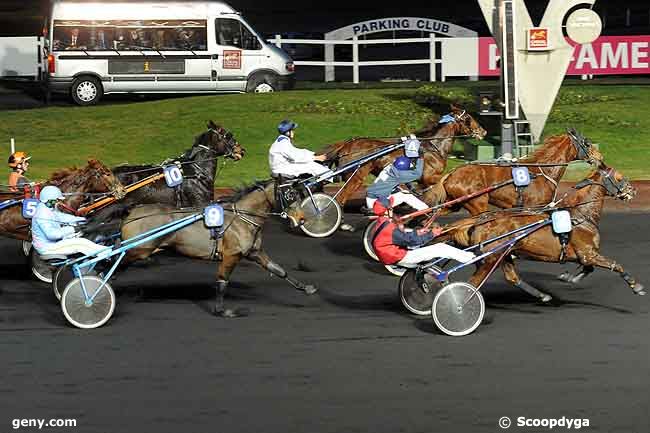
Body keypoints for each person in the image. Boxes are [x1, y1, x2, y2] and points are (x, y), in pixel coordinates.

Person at [371, 196, 476, 268]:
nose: (393, 208)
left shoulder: (382, 222)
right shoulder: (389, 227)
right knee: (441, 247)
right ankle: (471, 258)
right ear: (388, 210)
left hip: (391, 254)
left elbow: (401, 237)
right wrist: (432, 234)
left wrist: (419, 232)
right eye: (391, 207)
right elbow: (413, 241)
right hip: (398, 257)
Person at [31, 186, 106, 257]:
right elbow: (52, 235)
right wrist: (74, 229)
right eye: (57, 200)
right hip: (47, 247)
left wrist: (83, 219)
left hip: (51, 243)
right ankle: (107, 254)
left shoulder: (47, 208)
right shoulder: (42, 213)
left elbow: (62, 217)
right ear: (49, 200)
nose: (58, 202)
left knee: (80, 236)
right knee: (80, 243)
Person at [365, 137, 429, 213]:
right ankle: (425, 209)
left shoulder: (391, 167)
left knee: (404, 193)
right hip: (377, 202)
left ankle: (423, 209)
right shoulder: (398, 175)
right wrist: (420, 158)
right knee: (405, 196)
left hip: (374, 196)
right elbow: (417, 174)